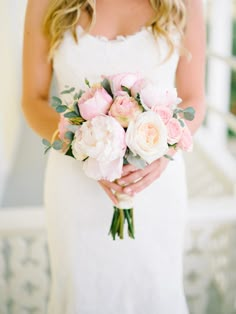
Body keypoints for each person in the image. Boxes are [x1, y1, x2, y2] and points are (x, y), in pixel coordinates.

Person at [22, 0, 206, 313]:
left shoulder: (186, 3)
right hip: (75, 186)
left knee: (156, 291)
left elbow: (195, 98)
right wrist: (87, 147)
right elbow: (32, 100)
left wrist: (163, 151)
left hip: (154, 183)